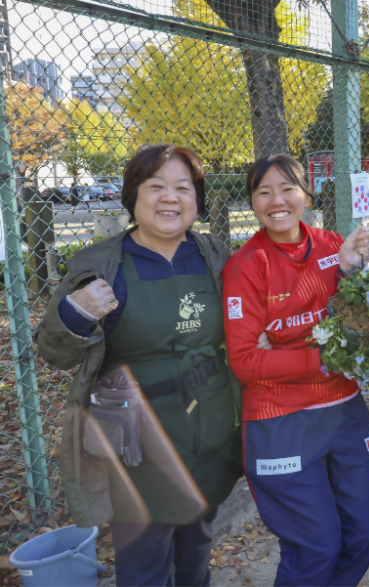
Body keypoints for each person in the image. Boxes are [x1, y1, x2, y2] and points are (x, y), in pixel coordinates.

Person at [35, 144, 242, 587]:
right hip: (137, 441)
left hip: (209, 429)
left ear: (197, 199)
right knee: (145, 563)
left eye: (183, 187)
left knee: (196, 549)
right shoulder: (101, 265)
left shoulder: (214, 256)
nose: (170, 197)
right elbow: (54, 352)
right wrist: (76, 312)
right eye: (156, 186)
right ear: (133, 196)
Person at [222, 155, 369, 586]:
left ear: (307, 195)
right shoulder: (246, 266)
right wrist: (325, 357)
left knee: (364, 529)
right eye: (263, 192)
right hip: (280, 418)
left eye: (287, 188)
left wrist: (351, 272)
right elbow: (246, 361)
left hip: (343, 406)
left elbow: (364, 320)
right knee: (317, 546)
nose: (277, 200)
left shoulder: (334, 247)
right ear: (252, 202)